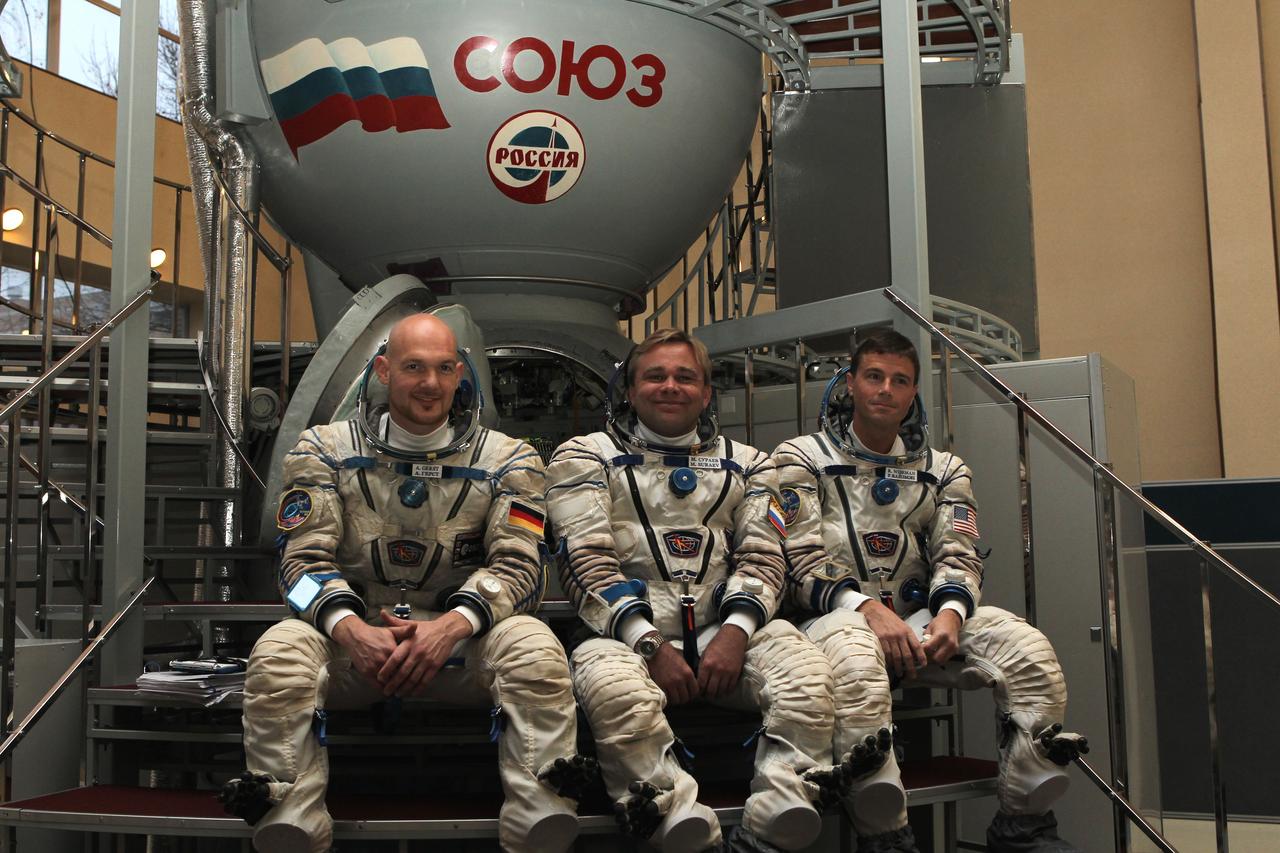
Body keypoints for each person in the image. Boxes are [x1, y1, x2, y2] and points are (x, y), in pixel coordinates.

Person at [220, 312, 591, 853]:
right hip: (356, 643)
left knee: (535, 648)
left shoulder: (510, 459)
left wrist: (449, 628)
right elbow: (297, 572)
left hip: (462, 645)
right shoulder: (322, 450)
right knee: (279, 651)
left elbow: (521, 570)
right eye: (414, 367)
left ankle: (541, 813)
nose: (431, 384)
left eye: (444, 368)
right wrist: (350, 630)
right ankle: (288, 814)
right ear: (382, 371)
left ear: (461, 374)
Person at [772, 328, 1088, 853]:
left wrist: (951, 615)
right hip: (830, 618)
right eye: (873, 376)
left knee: (1029, 653)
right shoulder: (799, 458)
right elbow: (798, 557)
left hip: (920, 619)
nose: (885, 390)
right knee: (856, 659)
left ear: (913, 392)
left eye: (900, 381)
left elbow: (957, 555)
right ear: (850, 384)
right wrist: (866, 607)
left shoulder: (944, 471)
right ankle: (886, 835)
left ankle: (1022, 825)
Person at [545, 328, 838, 853]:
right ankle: (680, 826)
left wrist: (735, 632)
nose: (670, 387)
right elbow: (586, 562)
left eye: (686, 377)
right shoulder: (583, 457)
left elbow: (764, 556)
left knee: (810, 677)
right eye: (654, 376)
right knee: (618, 696)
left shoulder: (751, 464)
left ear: (706, 393)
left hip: (727, 629)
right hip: (621, 636)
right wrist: (649, 644)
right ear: (629, 391)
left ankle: (771, 829)